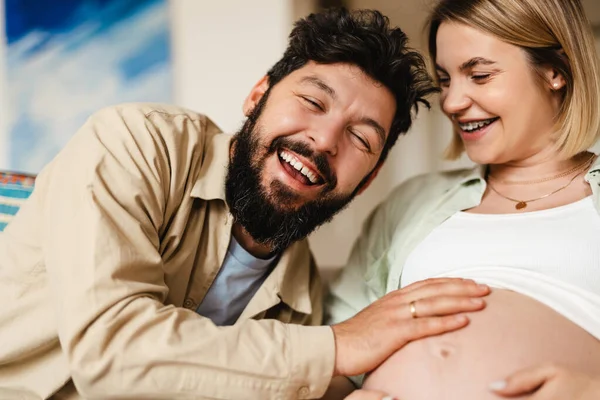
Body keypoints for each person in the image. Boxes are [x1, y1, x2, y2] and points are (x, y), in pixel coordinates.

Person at [0, 8, 492, 400]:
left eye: (360, 138)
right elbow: (111, 352)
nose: (322, 141)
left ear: (369, 180)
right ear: (258, 94)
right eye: (313, 102)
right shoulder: (136, 142)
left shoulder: (302, 304)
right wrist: (340, 346)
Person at [326, 0, 600, 399]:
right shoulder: (413, 203)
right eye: (446, 79)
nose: (452, 102)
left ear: (555, 72)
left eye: (480, 75)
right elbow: (335, 350)